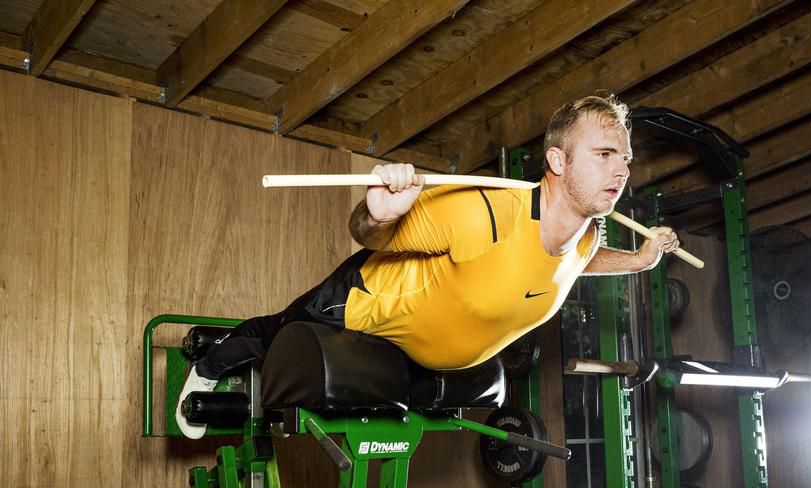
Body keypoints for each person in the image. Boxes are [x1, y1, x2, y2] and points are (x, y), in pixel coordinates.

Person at [176, 93, 682, 438]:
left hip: (425, 358)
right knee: (275, 334)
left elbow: (578, 262)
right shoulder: (482, 212)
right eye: (605, 153)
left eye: (626, 158)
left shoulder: (586, 233)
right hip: (363, 305)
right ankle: (209, 364)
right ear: (557, 162)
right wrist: (378, 212)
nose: (622, 169)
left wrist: (637, 261)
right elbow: (371, 234)